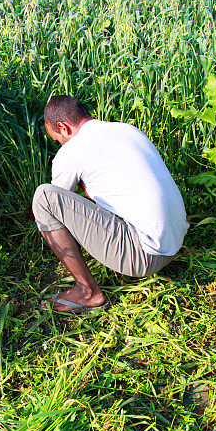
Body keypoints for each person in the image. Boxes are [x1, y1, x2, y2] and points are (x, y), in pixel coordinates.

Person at [31, 95, 189, 313]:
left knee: (44, 198)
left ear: (63, 127)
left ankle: (87, 293)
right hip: (176, 239)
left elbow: (56, 205)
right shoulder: (126, 129)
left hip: (146, 256)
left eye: (58, 139)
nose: (61, 145)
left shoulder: (72, 150)